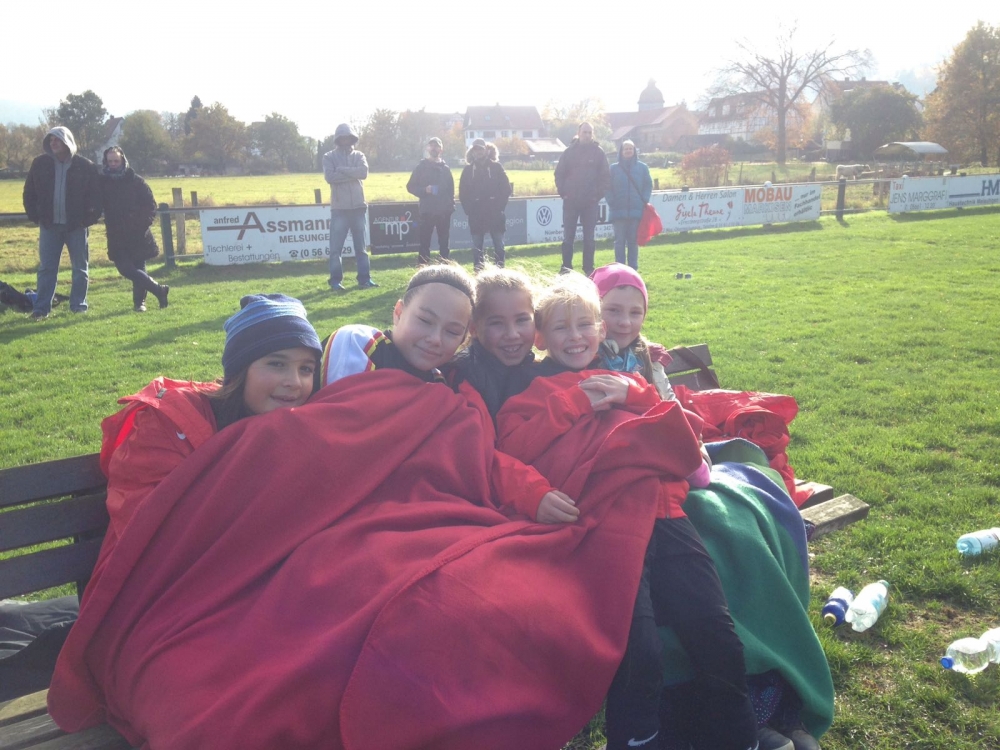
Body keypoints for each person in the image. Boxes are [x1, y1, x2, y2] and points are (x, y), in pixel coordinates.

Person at [591, 263, 824, 750]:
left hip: (673, 474)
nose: (624, 321)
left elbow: (674, 414)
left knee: (744, 523)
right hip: (630, 488)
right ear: (594, 309)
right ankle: (718, 709)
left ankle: (767, 697)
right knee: (720, 542)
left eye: (635, 311)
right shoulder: (582, 350)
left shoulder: (647, 359)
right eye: (612, 310)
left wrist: (689, 449)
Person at [99, 293, 322, 545]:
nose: (294, 382)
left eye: (306, 369)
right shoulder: (168, 424)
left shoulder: (302, 428)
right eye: (277, 364)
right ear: (239, 370)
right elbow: (147, 527)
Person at [21, 126, 102, 320]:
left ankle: (78, 306)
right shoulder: (39, 164)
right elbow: (29, 193)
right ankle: (41, 310)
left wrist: (87, 220)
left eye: (57, 139)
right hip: (49, 227)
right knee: (46, 269)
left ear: (67, 141)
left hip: (77, 227)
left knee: (80, 269)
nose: (53, 143)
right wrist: (36, 217)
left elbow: (96, 197)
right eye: (51, 140)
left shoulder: (85, 166)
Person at [99, 147, 169, 312]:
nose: (113, 164)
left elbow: (150, 206)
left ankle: (140, 303)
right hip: (116, 233)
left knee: (138, 266)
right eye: (110, 161)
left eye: (116, 161)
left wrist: (140, 225)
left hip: (138, 233)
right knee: (124, 268)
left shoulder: (137, 182)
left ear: (123, 161)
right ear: (105, 162)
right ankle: (159, 290)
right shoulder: (102, 182)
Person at [323, 123, 377, 291]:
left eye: (348, 137)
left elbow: (363, 173)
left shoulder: (359, 155)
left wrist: (342, 170)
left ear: (352, 138)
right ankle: (335, 281)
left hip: (358, 208)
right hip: (339, 209)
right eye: (342, 137)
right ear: (338, 139)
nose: (345, 140)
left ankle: (365, 279)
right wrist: (352, 173)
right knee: (335, 249)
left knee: (361, 248)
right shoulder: (328, 156)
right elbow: (330, 177)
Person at [554, 123, 610, 276]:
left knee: (589, 238)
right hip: (570, 202)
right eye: (585, 132)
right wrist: (564, 193)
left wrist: (596, 196)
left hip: (590, 203)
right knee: (568, 238)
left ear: (593, 134)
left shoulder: (598, 153)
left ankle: (588, 269)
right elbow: (559, 174)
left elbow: (606, 177)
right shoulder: (569, 152)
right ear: (578, 133)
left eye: (590, 132)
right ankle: (566, 268)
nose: (587, 135)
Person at [459, 139, 511, 271]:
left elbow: (506, 189)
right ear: (472, 152)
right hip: (476, 215)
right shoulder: (467, 170)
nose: (478, 152)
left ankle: (500, 275)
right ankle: (478, 274)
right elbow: (462, 193)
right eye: (476, 149)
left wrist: (499, 208)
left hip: (495, 214)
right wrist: (469, 210)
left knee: (499, 247)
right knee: (477, 248)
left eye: (481, 149)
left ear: (486, 150)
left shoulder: (497, 167)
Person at [406, 137, 455, 265]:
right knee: (424, 244)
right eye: (432, 146)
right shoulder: (421, 167)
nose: (434, 148)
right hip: (427, 211)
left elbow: (451, 190)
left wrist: (450, 207)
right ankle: (423, 271)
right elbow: (410, 186)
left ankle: (445, 270)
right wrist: (424, 190)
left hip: (444, 212)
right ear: (428, 149)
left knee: (444, 244)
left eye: (436, 146)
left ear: (441, 149)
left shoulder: (446, 169)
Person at [606, 140, 652, 270]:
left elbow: (648, 185)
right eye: (625, 149)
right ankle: (620, 269)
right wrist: (611, 201)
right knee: (619, 242)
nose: (628, 151)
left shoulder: (642, 168)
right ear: (621, 151)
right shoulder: (613, 168)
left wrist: (644, 199)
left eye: (630, 148)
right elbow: (606, 187)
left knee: (633, 242)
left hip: (636, 211)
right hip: (618, 211)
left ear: (634, 151)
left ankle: (633, 269)